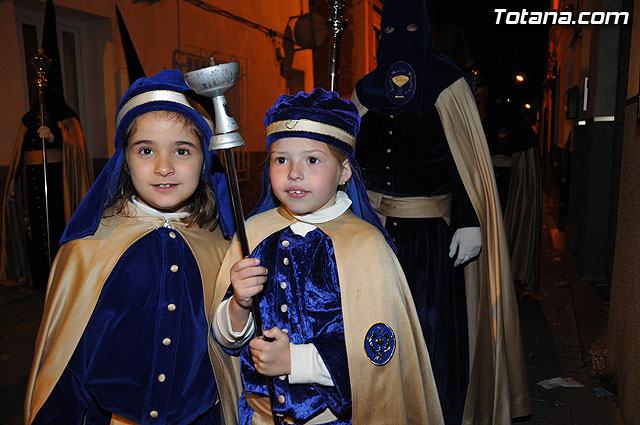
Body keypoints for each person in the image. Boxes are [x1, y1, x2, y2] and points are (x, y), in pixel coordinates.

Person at [211, 88, 444, 425]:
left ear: (344, 171)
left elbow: (379, 353)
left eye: (312, 159)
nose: (294, 172)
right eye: (281, 159)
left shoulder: (365, 246)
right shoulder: (255, 234)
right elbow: (224, 339)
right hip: (258, 416)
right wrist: (239, 305)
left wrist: (297, 360)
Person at [25, 69, 242, 425]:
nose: (164, 167)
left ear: (205, 160)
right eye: (146, 150)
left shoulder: (222, 248)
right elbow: (67, 361)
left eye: (182, 150)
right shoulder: (89, 249)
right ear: (125, 160)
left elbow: (229, 353)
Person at [352, 0, 530, 423]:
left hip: (433, 239)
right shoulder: (365, 91)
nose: (401, 41)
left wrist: (470, 222)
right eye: (391, 32)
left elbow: (465, 163)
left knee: (432, 333)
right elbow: (348, 159)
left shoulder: (447, 86)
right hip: (374, 235)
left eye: (411, 31)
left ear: (426, 31)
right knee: (375, 327)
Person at [1, 0, 93, 290]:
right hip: (32, 183)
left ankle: (61, 275)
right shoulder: (29, 120)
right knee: (35, 230)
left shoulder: (67, 120)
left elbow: (75, 154)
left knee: (56, 226)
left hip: (56, 185)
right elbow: (18, 157)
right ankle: (37, 276)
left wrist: (54, 136)